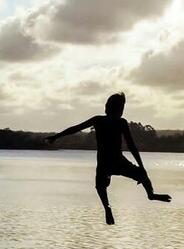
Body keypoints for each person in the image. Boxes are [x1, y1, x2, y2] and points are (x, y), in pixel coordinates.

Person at [44, 92, 171, 225]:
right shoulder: (121, 122)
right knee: (141, 175)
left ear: (107, 107)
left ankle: (107, 207)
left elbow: (76, 129)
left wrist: (55, 137)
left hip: (105, 163)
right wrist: (142, 167)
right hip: (118, 161)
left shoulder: (98, 120)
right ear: (120, 110)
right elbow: (132, 146)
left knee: (100, 186)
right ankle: (151, 194)